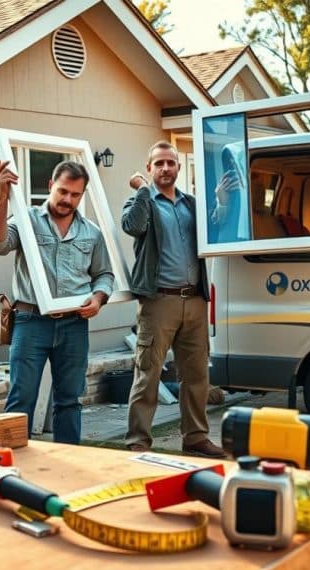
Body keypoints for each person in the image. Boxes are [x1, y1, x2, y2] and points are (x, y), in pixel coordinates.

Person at [0, 159, 114, 444]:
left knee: (69, 400)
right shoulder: (26, 218)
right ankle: (12, 463)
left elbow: (104, 274)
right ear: (50, 187)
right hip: (30, 322)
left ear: (82, 195)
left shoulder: (91, 232)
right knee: (21, 398)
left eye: (75, 194)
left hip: (74, 324)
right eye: (63, 191)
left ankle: (68, 461)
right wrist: (2, 197)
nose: (68, 199)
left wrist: (98, 298)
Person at [121, 141, 225, 458]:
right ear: (149, 168)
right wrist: (141, 190)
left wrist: (221, 202)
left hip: (194, 300)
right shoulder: (140, 201)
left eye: (171, 163)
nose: (166, 168)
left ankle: (195, 437)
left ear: (178, 167)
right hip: (159, 302)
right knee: (148, 373)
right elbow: (133, 226)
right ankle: (138, 439)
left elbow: (215, 233)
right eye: (159, 164)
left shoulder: (191, 204)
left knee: (196, 375)